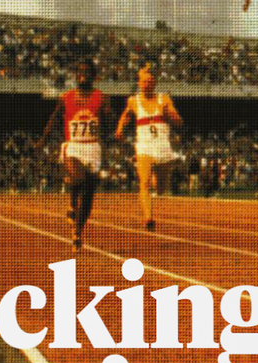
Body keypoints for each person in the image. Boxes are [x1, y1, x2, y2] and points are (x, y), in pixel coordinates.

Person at [40, 59, 107, 251]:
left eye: (87, 71)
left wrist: (111, 124)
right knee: (79, 178)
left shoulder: (101, 97)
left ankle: (77, 229)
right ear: (76, 75)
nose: (83, 74)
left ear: (94, 76)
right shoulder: (66, 97)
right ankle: (71, 202)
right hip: (73, 146)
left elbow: (108, 121)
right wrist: (43, 139)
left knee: (88, 195)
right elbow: (53, 119)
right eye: (80, 71)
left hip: (93, 148)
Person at [113, 62, 182, 232]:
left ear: (154, 83)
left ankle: (155, 180)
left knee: (160, 188)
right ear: (139, 83)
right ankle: (148, 217)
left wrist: (169, 113)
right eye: (143, 82)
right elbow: (125, 117)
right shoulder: (133, 101)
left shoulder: (163, 99)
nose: (146, 85)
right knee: (143, 183)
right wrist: (120, 129)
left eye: (149, 81)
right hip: (144, 147)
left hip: (163, 146)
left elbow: (179, 122)